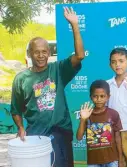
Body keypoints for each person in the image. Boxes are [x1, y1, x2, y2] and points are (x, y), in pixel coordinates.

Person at [10, 7, 85, 167]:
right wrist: (20, 128)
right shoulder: (21, 79)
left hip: (60, 133)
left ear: (49, 53)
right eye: (36, 52)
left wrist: (75, 25)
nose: (41, 55)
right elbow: (16, 110)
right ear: (29, 53)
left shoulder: (58, 69)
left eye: (44, 51)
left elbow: (79, 56)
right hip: (36, 135)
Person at [76, 80, 124, 167]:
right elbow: (79, 137)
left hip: (112, 160)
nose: (99, 100)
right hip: (93, 162)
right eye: (95, 96)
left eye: (102, 96)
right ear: (91, 97)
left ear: (108, 97)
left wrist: (120, 159)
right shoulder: (87, 114)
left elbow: (118, 138)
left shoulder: (113, 114)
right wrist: (83, 119)